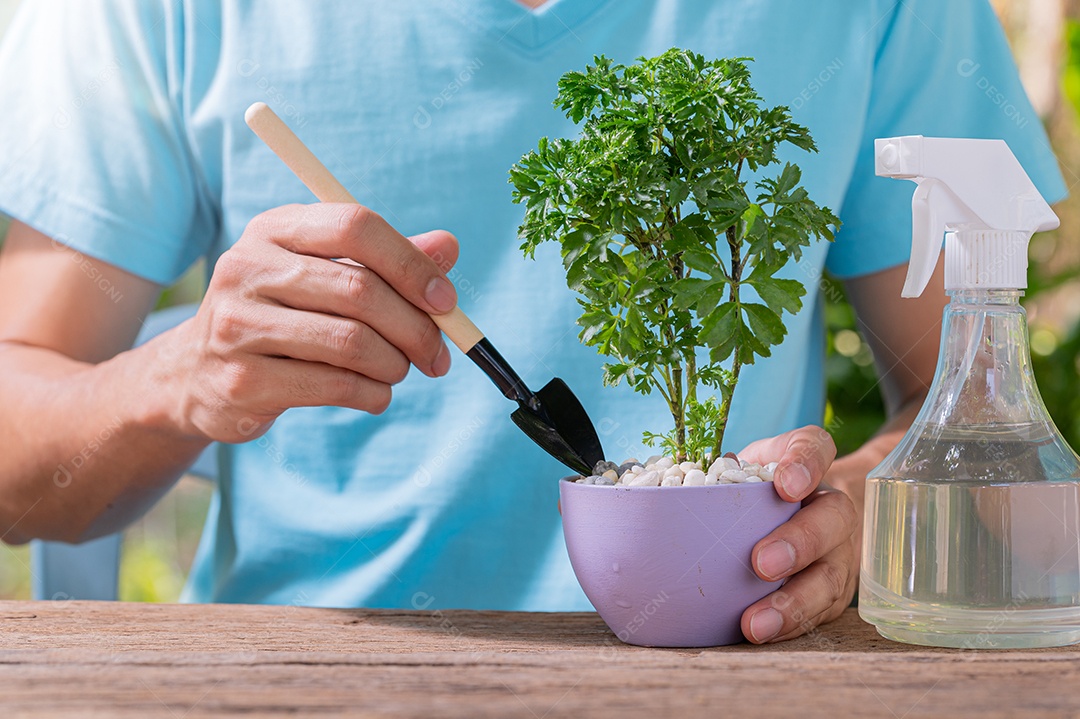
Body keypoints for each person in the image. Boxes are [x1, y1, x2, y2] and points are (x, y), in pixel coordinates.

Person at [0, 0, 1064, 644]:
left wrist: (852, 515)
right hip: (305, 675)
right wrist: (180, 376)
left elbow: (971, 412)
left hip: (732, 672)